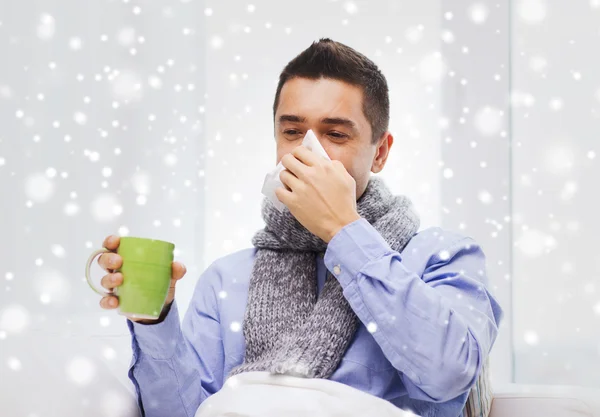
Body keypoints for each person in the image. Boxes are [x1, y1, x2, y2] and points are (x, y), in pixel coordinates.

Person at [97, 38, 503, 417]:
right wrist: (155, 320)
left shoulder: (441, 256)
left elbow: (451, 373)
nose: (309, 153)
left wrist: (343, 229)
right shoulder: (227, 279)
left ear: (380, 152)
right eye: (293, 132)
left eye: (335, 134)